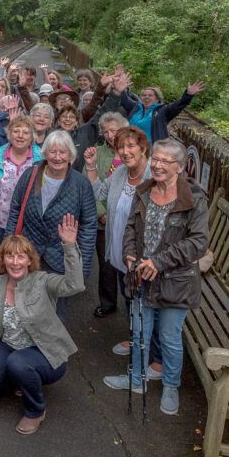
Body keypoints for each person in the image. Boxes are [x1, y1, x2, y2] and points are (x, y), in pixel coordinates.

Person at [102, 139, 208, 415]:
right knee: (139, 331)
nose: (158, 166)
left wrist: (158, 262)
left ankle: (171, 386)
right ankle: (136, 380)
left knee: (169, 337)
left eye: (166, 161)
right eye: (156, 159)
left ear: (181, 167)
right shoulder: (145, 191)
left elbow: (198, 243)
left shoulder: (193, 199)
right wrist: (128, 254)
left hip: (176, 281)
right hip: (140, 276)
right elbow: (130, 227)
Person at [0, 217, 85, 434]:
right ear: (2, 260)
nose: (15, 262)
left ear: (29, 261)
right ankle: (22, 380)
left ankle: (35, 410)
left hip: (44, 352)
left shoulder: (43, 281)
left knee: (18, 363)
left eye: (21, 256)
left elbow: (75, 285)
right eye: (10, 256)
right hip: (10, 345)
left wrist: (69, 246)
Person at [85, 125, 161, 378]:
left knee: (149, 306)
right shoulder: (119, 173)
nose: (126, 151)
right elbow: (97, 193)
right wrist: (93, 166)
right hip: (120, 252)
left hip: (144, 258)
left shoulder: (155, 176)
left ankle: (157, 361)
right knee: (131, 302)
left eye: (131, 146)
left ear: (143, 148)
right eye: (121, 147)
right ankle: (135, 339)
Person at [4, 130, 97, 319]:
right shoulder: (30, 175)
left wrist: (83, 267)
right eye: (52, 152)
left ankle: (52, 348)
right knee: (25, 307)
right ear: (45, 154)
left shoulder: (81, 184)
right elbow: (15, 211)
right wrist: (8, 248)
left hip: (60, 259)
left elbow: (88, 226)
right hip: (29, 255)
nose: (57, 157)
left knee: (56, 313)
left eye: (63, 152)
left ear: (71, 156)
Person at [81, 112, 131, 318]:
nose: (111, 135)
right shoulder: (97, 153)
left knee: (129, 263)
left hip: (129, 220)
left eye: (115, 130)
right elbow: (89, 182)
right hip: (103, 219)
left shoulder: (133, 152)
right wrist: (101, 214)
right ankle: (108, 301)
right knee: (106, 263)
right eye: (107, 131)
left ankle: (131, 303)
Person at [0, 116, 43, 256]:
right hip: (0, 224)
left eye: (25, 132)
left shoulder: (41, 159)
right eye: (16, 131)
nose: (20, 136)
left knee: (27, 267)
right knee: (2, 265)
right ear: (9, 134)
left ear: (32, 137)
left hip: (30, 226)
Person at [118, 75, 206, 142]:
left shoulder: (163, 111)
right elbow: (124, 99)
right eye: (144, 95)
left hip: (152, 151)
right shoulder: (135, 107)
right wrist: (120, 88)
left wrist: (188, 95)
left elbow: (179, 105)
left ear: (157, 99)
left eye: (150, 95)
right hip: (131, 147)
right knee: (118, 165)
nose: (146, 97)